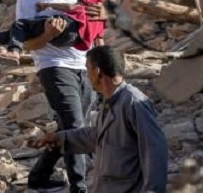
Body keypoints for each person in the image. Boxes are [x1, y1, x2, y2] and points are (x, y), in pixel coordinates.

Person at [11, 0, 107, 193]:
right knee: (75, 125)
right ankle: (79, 186)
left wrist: (101, 52)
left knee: (71, 127)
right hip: (53, 66)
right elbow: (27, 44)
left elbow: (98, 19)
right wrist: (48, 35)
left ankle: (39, 177)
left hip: (85, 64)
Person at [32, 46, 169, 193]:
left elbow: (154, 149)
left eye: (87, 69)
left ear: (97, 72)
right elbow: (99, 136)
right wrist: (61, 138)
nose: (86, 75)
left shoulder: (134, 103)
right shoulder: (110, 100)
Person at [0, 0, 122, 66]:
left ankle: (13, 52)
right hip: (69, 42)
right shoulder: (102, 22)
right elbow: (99, 43)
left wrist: (48, 5)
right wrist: (103, 62)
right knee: (21, 34)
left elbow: (72, 7)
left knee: (20, 25)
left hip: (67, 25)